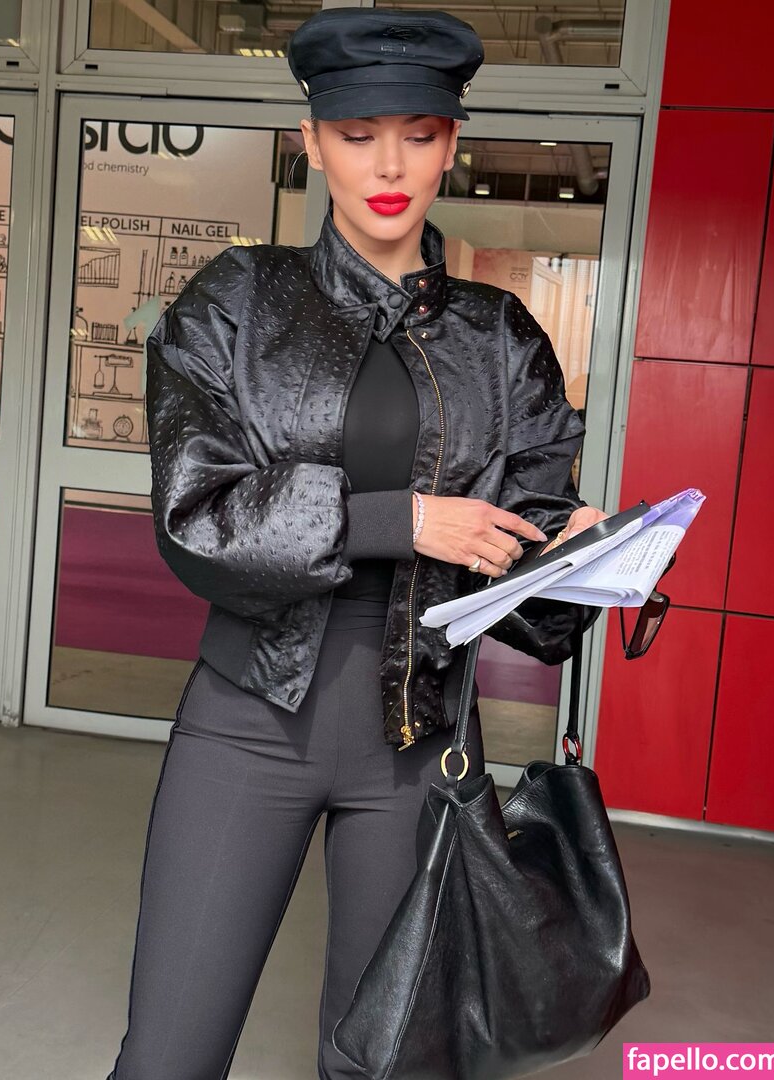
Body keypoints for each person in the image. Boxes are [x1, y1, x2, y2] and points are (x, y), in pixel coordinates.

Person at [106, 8, 608, 1079]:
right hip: (245, 728)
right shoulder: (236, 304)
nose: (389, 165)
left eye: (418, 135)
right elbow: (198, 518)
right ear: (311, 140)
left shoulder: (502, 339)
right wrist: (404, 520)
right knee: (168, 1058)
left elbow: (532, 589)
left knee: (383, 1063)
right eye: (357, 134)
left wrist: (595, 564)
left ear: (451, 144)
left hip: (420, 749)